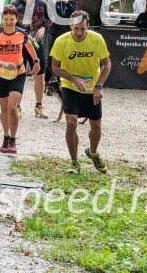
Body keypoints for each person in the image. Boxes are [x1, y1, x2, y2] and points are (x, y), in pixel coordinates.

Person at [50, 10, 111, 174]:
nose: (79, 33)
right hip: (70, 86)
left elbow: (107, 64)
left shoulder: (97, 39)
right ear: (70, 25)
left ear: (88, 26)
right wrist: (74, 79)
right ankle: (74, 162)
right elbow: (55, 67)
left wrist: (99, 86)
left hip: (92, 88)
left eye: (83, 29)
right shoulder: (61, 42)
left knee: (96, 125)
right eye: (76, 28)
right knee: (71, 123)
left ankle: (93, 152)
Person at [0, 5, 39, 154]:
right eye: (6, 19)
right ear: (2, 19)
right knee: (4, 108)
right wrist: (3, 63)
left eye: (11, 19)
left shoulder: (21, 34)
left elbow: (29, 46)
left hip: (18, 74)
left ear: (16, 19)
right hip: (0, 74)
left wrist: (36, 61)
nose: (8, 22)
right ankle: (5, 137)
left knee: (12, 107)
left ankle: (13, 139)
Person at [11, 0, 53, 119]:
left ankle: (39, 106)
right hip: (20, 45)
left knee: (40, 75)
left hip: (36, 43)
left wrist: (43, 28)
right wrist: (23, 34)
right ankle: (17, 107)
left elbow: (50, 19)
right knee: (18, 76)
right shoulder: (15, 5)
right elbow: (9, 23)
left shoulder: (42, 4)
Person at [46, 0, 78, 90]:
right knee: (51, 57)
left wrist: (67, 3)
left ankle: (62, 81)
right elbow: (48, 13)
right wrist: (52, 3)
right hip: (55, 31)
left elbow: (75, 14)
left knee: (66, 58)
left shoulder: (72, 0)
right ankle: (46, 81)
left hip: (66, 32)